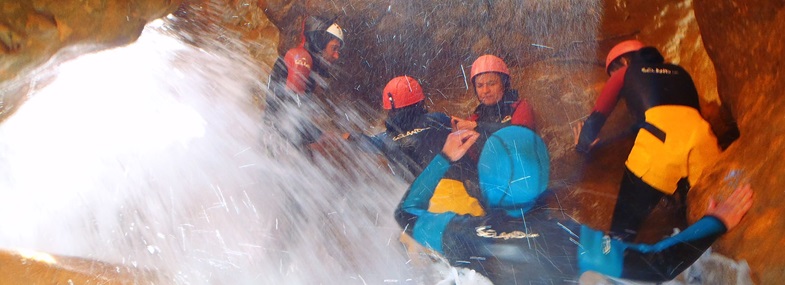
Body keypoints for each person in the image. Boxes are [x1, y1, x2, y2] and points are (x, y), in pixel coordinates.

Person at [395, 126, 753, 284]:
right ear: (543, 179)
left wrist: (444, 157)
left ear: (484, 182)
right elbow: (656, 265)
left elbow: (406, 214)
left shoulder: (459, 232)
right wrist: (714, 222)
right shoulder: (569, 237)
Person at [573, 40, 722, 241]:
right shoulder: (680, 72)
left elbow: (598, 116)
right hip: (705, 145)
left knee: (619, 238)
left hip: (659, 146)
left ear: (624, 60)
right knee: (705, 229)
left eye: (613, 70)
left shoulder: (625, 73)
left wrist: (582, 145)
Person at [266, 14, 345, 153]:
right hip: (278, 140)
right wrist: (321, 137)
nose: (336, 55)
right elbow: (289, 113)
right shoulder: (302, 59)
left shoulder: (307, 64)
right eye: (334, 48)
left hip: (279, 137)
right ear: (320, 43)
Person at [451, 54, 535, 135]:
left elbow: (519, 135)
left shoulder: (520, 107)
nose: (485, 90)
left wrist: (478, 127)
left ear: (504, 85)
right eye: (479, 86)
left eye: (491, 84)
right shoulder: (475, 117)